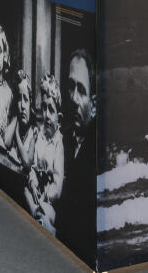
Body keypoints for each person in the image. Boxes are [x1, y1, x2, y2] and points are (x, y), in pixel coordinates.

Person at [56, 49, 96, 256]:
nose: (73, 98)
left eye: (81, 90)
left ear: (95, 103)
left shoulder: (97, 156)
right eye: (70, 87)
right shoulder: (63, 139)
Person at [25, 74, 64, 234]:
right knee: (25, 191)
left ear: (58, 117)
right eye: (44, 108)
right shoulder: (39, 136)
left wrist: (45, 196)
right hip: (35, 194)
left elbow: (58, 184)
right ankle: (36, 216)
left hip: (49, 201)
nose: (47, 115)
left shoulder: (58, 143)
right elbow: (32, 166)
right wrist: (33, 181)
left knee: (46, 212)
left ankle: (41, 219)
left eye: (51, 110)